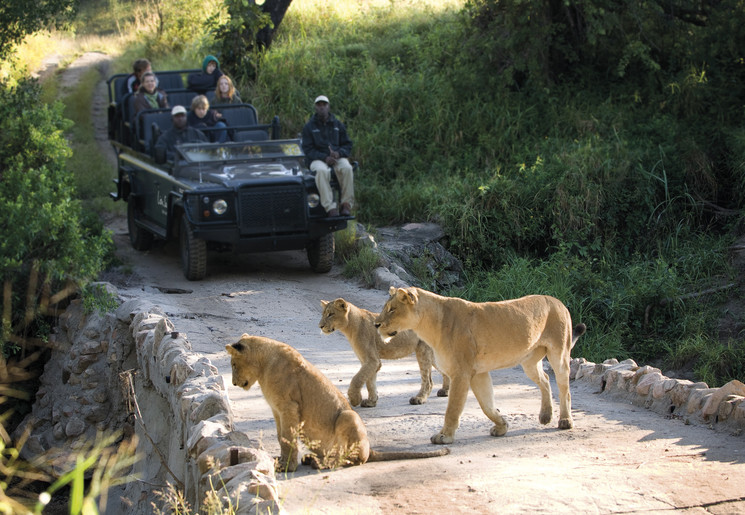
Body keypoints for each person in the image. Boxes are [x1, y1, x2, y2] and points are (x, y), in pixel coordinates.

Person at [301, 95, 354, 217]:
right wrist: (324, 157)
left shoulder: (337, 125)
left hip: (336, 157)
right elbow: (308, 150)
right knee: (321, 171)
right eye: (319, 105)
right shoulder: (309, 127)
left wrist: (339, 153)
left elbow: (347, 144)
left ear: (328, 106)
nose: (322, 107)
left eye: (324, 105)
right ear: (315, 107)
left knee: (347, 168)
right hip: (317, 159)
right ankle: (330, 207)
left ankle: (346, 204)